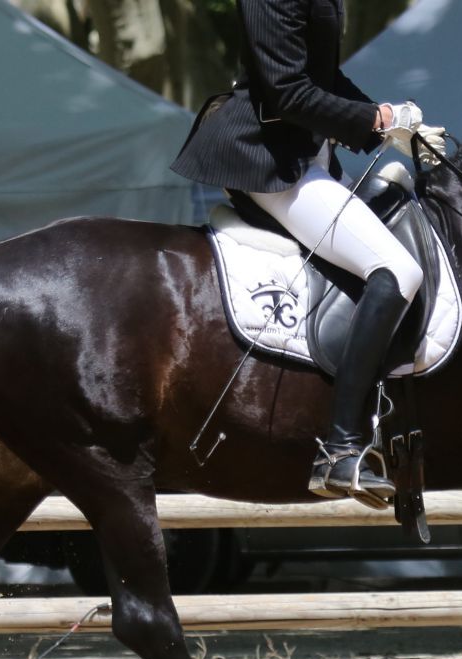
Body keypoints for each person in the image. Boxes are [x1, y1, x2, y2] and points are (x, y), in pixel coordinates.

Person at [171, 0, 444, 507]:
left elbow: (320, 75)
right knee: (396, 269)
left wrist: (390, 126)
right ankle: (341, 449)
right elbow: (285, 90)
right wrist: (375, 119)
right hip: (270, 161)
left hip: (312, 157)